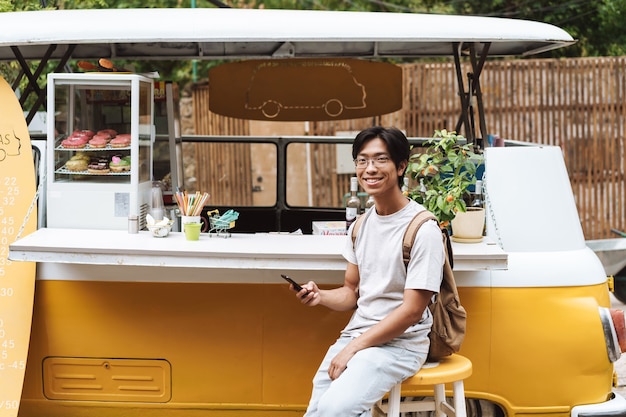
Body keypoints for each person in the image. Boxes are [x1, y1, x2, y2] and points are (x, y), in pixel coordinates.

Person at [292, 126, 445, 417]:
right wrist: (319, 296)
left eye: (380, 160)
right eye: (362, 161)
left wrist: (354, 348)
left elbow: (412, 311)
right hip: (357, 336)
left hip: (401, 344)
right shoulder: (361, 225)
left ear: (401, 167)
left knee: (335, 411)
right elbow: (351, 292)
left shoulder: (422, 229)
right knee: (317, 412)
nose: (369, 169)